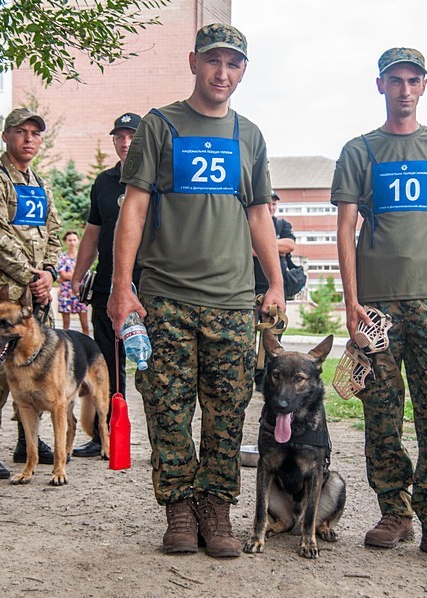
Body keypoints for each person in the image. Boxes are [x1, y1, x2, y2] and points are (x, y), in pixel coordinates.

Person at [107, 23, 283, 558]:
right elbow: (133, 207)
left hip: (232, 302)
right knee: (167, 408)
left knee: (228, 411)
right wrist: (121, 286)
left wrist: (274, 281)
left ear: (243, 71)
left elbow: (258, 214)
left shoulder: (248, 135)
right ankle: (179, 510)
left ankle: (217, 509)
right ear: (193, 62)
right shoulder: (161, 126)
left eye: (233, 64)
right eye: (213, 61)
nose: (222, 72)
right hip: (165, 297)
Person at [332, 47, 427, 563]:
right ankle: (394, 511)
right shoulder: (360, 150)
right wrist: (351, 303)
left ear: (422, 87)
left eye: (413, 80)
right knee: (382, 411)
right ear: (380, 86)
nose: (404, 89)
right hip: (376, 304)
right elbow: (345, 228)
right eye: (394, 80)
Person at [0, 108, 62, 480]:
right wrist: (31, 275)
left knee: (33, 364)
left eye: (36, 133)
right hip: (1, 294)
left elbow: (54, 232)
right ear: (5, 136)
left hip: (35, 298)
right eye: (22, 132)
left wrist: (48, 274)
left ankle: (27, 441)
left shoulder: (39, 184)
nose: (29, 139)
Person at [72, 111, 142, 458]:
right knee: (109, 366)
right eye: (119, 136)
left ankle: (166, 445)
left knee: (157, 367)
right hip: (107, 288)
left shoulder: (160, 178)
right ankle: (108, 439)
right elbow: (92, 233)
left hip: (151, 287)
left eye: (131, 135)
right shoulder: (103, 182)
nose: (125, 142)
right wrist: (76, 276)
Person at [252, 189, 296, 391]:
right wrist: (272, 246)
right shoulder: (250, 222)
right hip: (250, 288)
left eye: (274, 204)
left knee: (272, 338)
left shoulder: (282, 225)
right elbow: (247, 247)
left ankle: (268, 379)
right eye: (268, 203)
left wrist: (263, 244)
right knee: (247, 337)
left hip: (275, 290)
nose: (271, 207)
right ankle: (251, 375)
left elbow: (289, 245)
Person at [56, 230, 90, 335]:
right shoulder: (62, 257)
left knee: (85, 324)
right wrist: (76, 274)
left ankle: (87, 344)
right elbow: (63, 275)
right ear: (65, 241)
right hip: (65, 291)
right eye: (69, 240)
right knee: (66, 324)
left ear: (78, 241)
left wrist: (69, 275)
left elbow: (85, 273)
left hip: (79, 290)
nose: (72, 242)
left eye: (74, 240)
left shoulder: (83, 256)